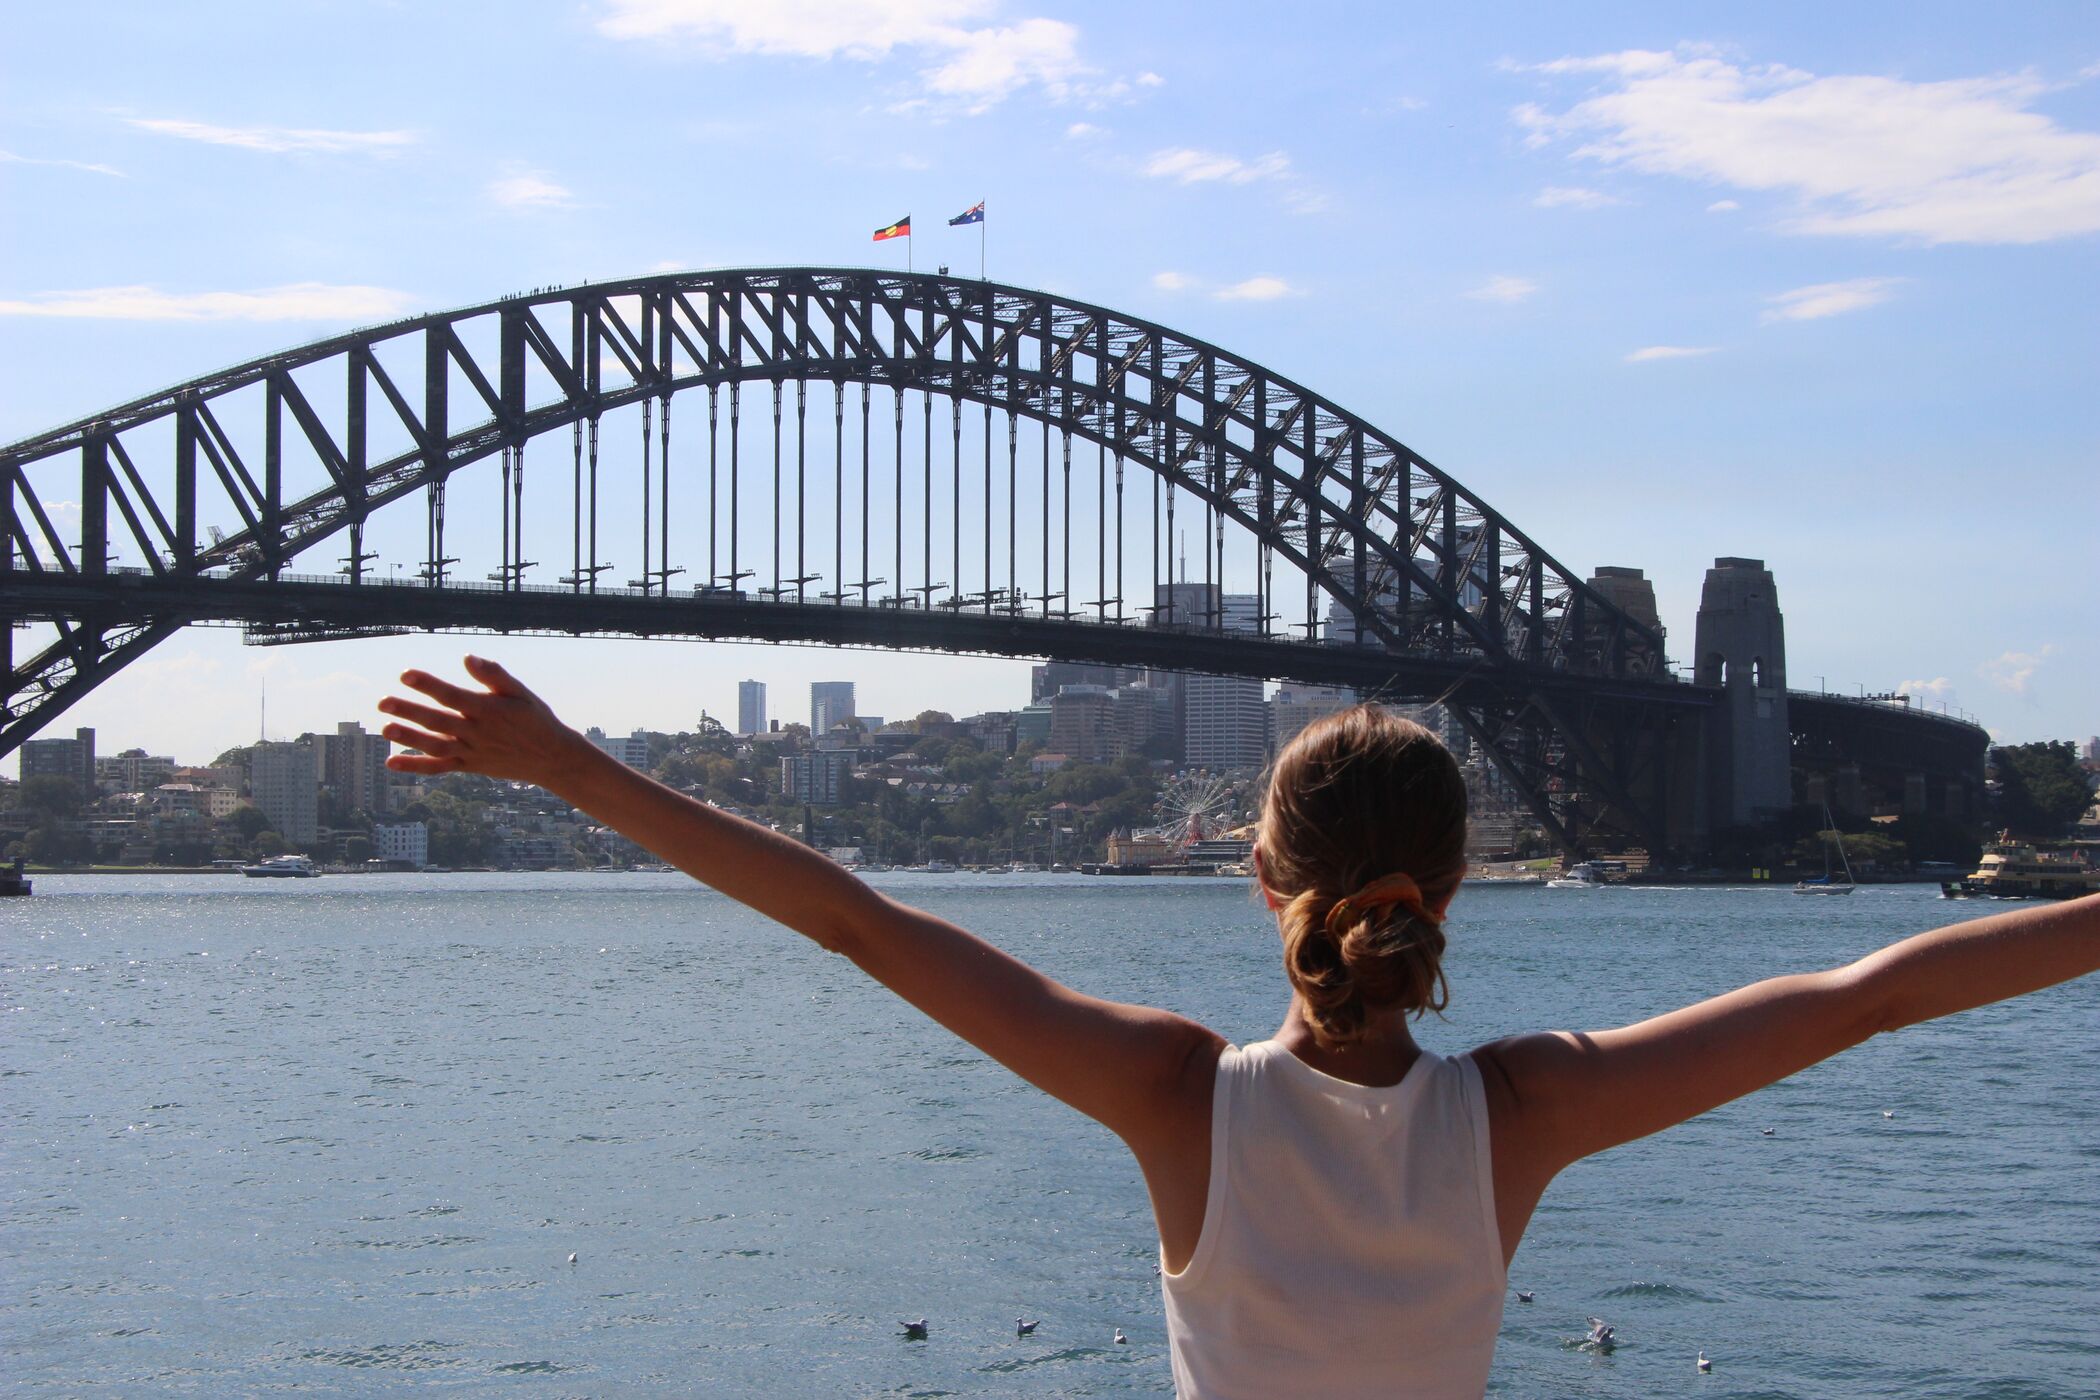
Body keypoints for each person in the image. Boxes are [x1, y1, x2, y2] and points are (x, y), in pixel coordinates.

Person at [378, 657, 2100, 1400]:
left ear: (1258, 867)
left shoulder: (1170, 1097)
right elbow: (1877, 990)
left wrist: (576, 770)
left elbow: (854, 917)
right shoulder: (1526, 1114)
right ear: (1452, 886)